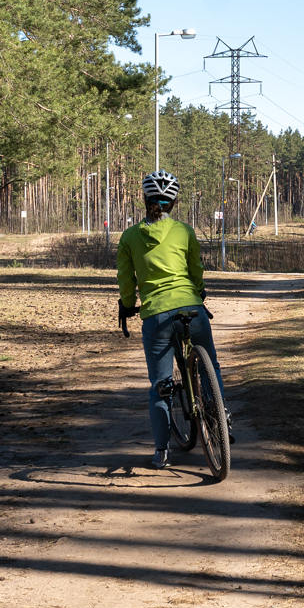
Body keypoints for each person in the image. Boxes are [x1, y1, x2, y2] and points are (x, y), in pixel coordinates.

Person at [117, 169, 224, 469]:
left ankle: (161, 451)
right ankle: (221, 418)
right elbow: (196, 270)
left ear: (145, 199)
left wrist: (127, 305)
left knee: (161, 385)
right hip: (192, 309)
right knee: (210, 368)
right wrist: (198, 292)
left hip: (157, 316)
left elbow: (127, 281)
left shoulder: (129, 238)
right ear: (174, 202)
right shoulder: (184, 232)